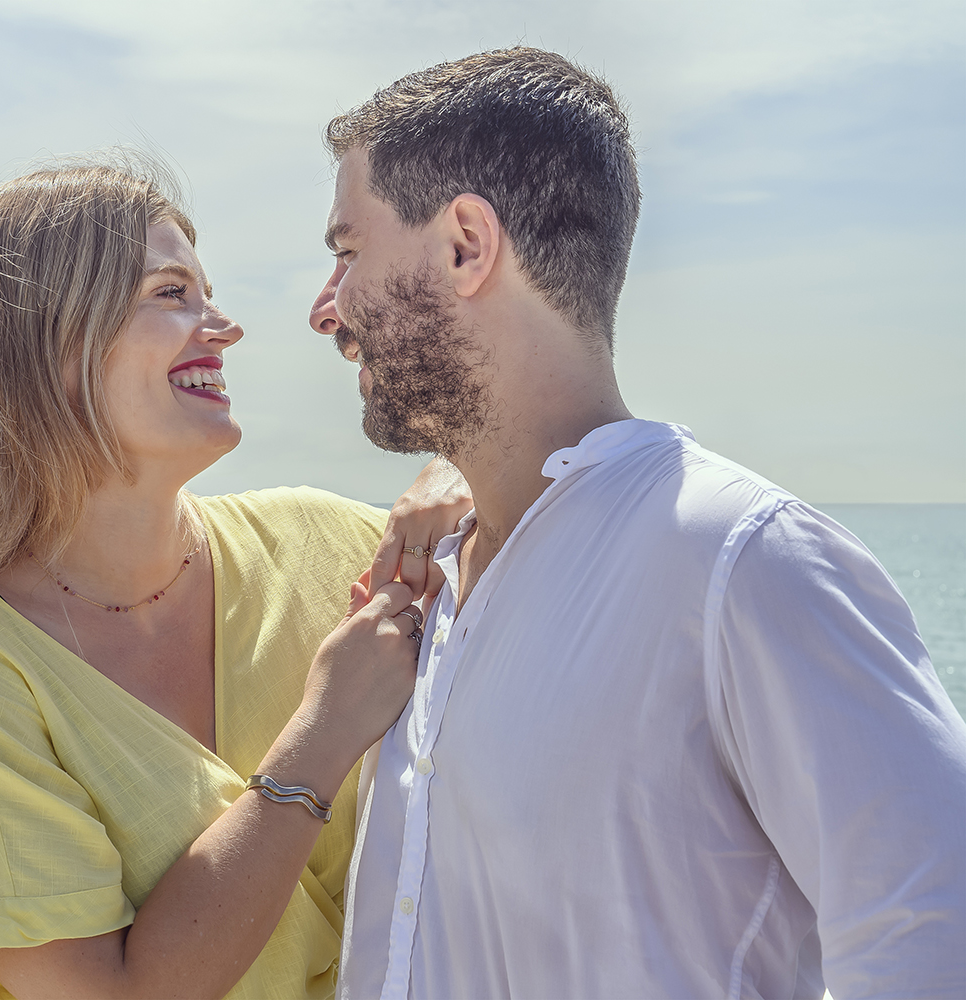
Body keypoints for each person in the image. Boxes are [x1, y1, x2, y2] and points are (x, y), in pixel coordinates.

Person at [313, 48, 966, 999]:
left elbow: (929, 929)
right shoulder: (430, 585)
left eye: (346, 251)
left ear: (465, 244)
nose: (326, 306)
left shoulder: (740, 560)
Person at [0, 160, 472, 999]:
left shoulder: (324, 539)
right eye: (172, 293)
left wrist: (464, 479)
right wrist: (323, 729)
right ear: (44, 345)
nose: (224, 326)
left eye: (208, 292)